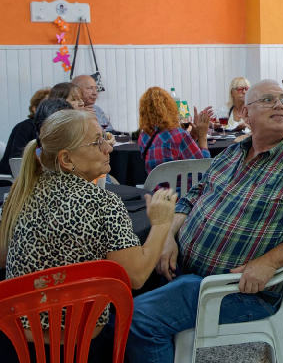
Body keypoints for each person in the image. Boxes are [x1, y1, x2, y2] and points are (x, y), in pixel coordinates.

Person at [127, 80, 283, 363]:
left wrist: (270, 262)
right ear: (245, 114)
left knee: (138, 320)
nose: (280, 104)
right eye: (268, 99)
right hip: (179, 269)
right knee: (113, 299)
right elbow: (194, 194)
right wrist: (169, 235)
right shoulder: (232, 154)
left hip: (235, 290)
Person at [0, 110, 177, 363]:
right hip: (81, 348)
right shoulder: (103, 203)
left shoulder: (20, 193)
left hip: (13, 345)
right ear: (66, 159)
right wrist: (161, 224)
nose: (108, 148)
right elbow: (136, 277)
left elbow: (3, 258)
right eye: (97, 142)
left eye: (105, 137)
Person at [137, 87, 214, 175]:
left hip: (156, 188)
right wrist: (202, 136)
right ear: (170, 107)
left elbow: (174, 150)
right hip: (183, 188)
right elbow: (203, 170)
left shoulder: (143, 137)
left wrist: (193, 134)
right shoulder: (179, 135)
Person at [0, 88, 50, 175]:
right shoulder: (24, 127)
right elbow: (17, 161)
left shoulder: (54, 128)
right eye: (46, 104)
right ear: (34, 109)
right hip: (13, 182)